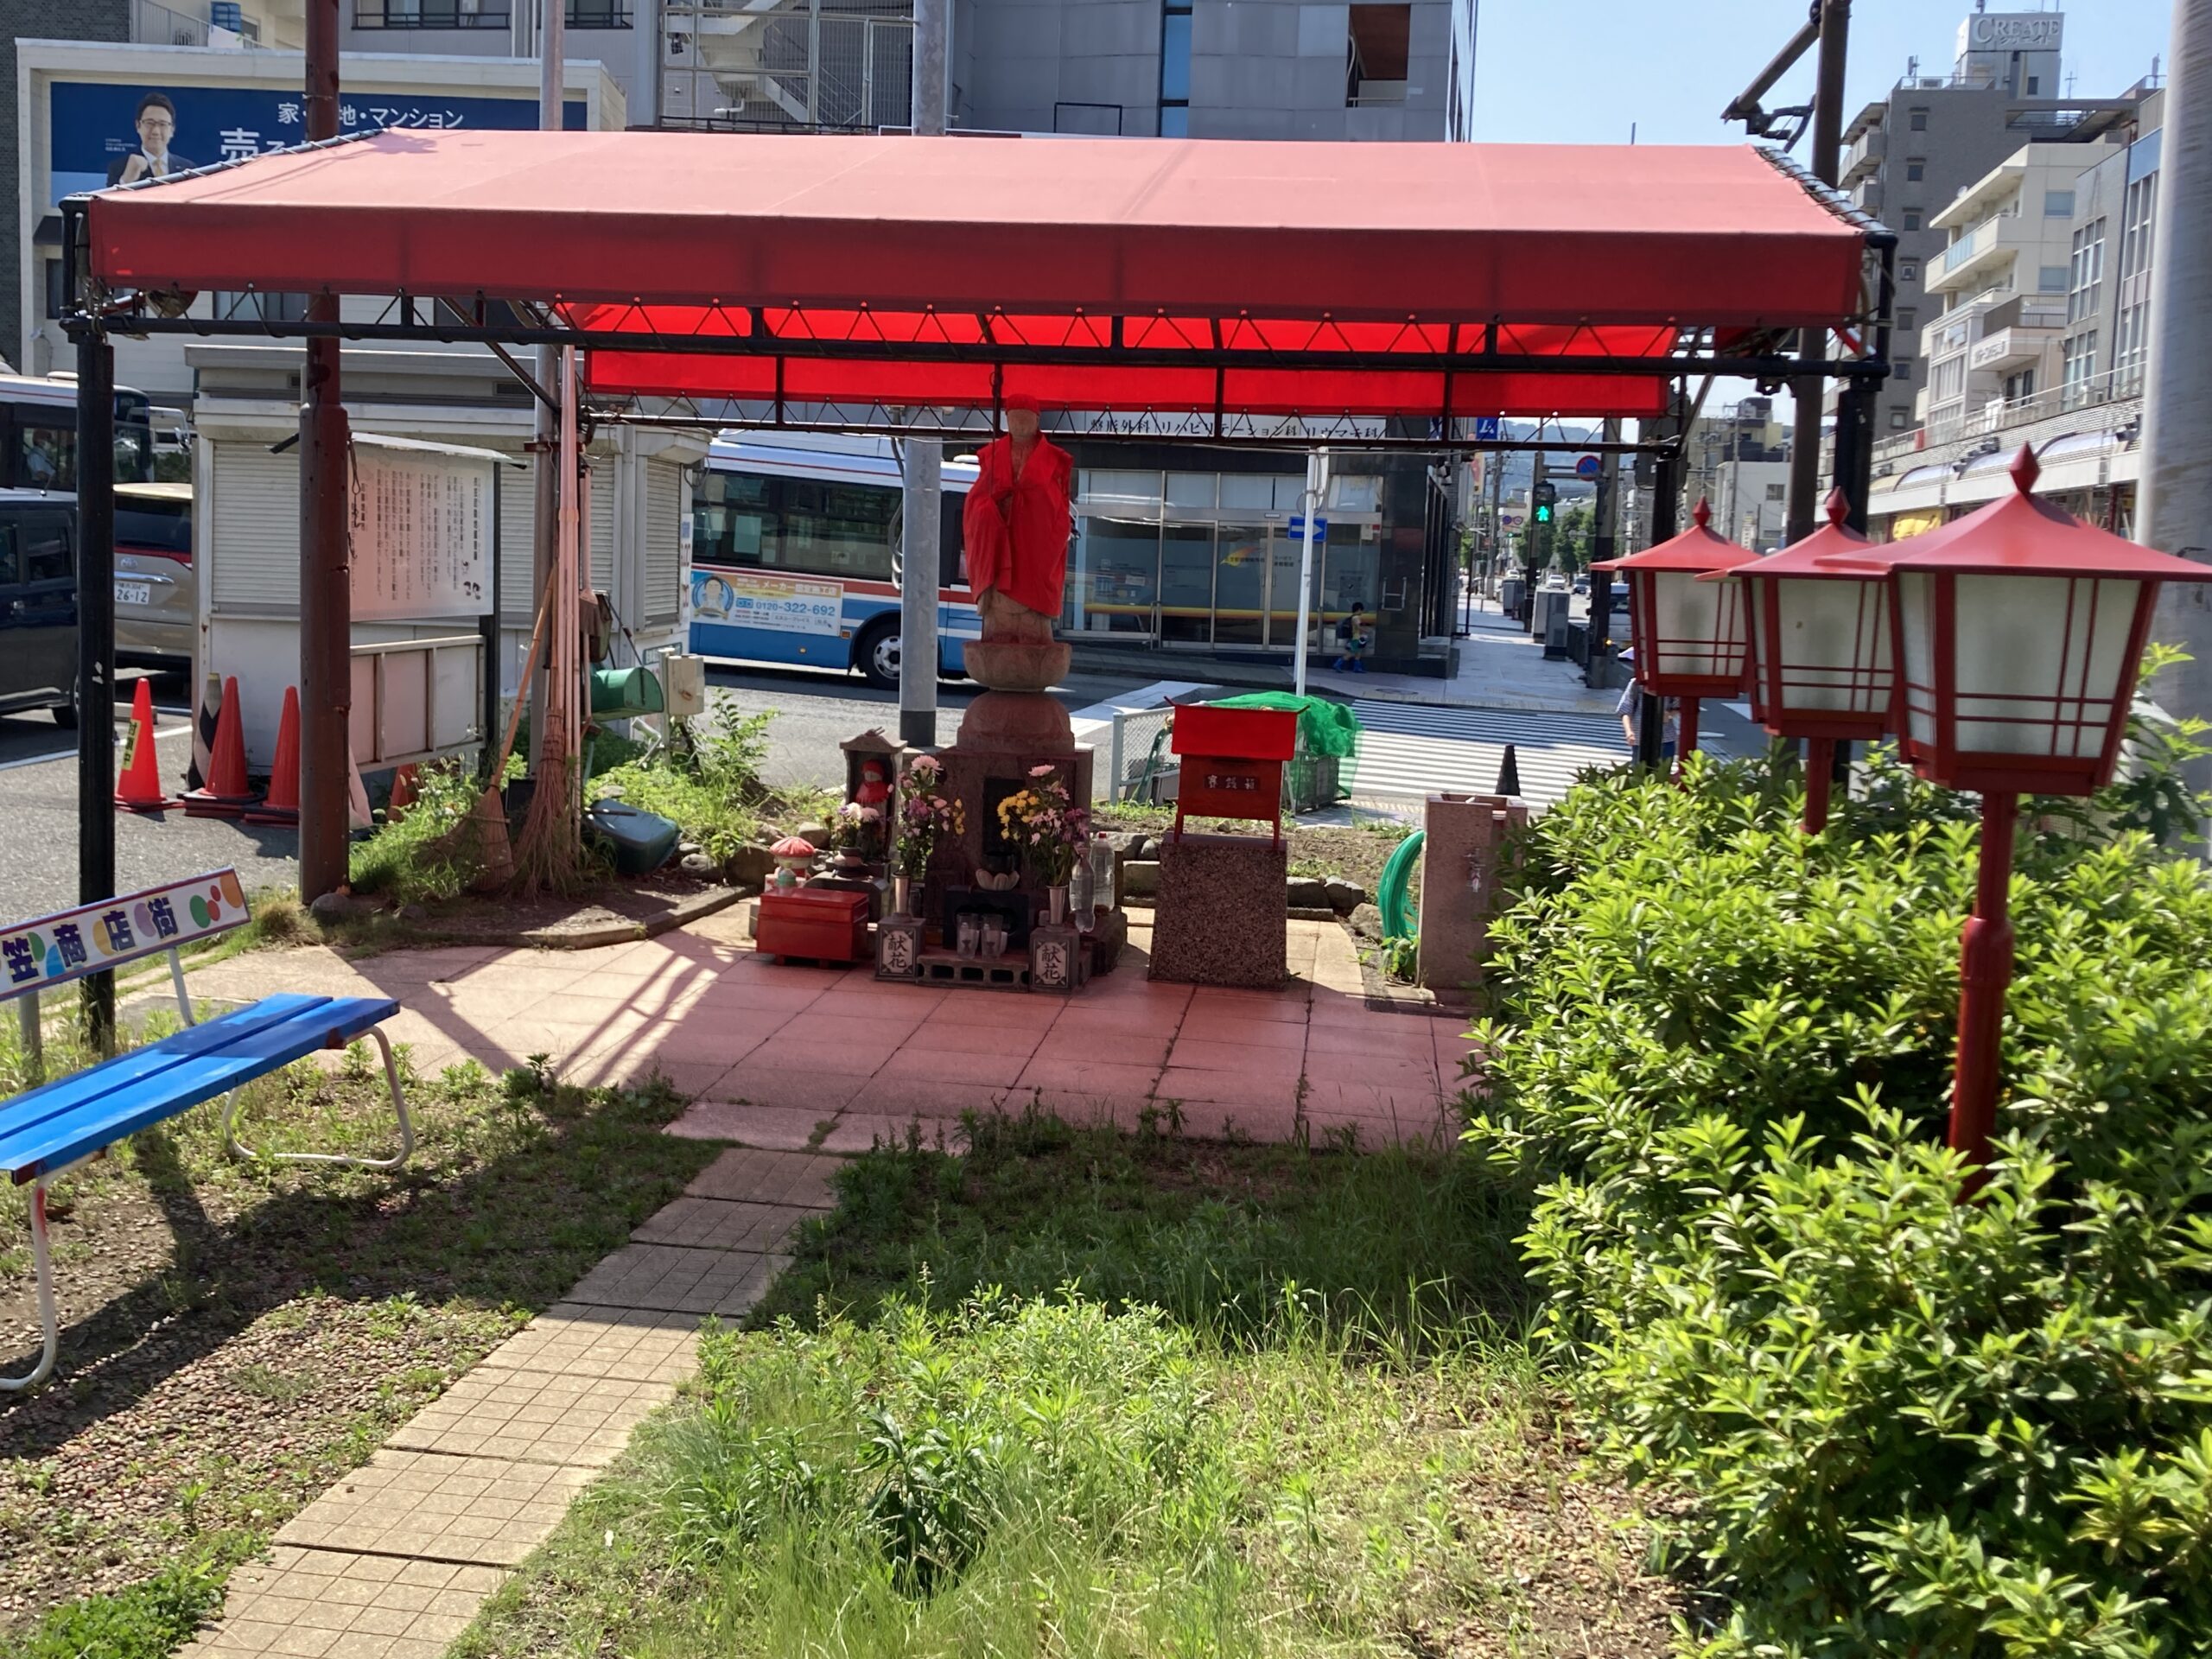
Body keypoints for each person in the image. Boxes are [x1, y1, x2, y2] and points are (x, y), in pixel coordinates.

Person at [961, 394, 1073, 645]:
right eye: (1015, 419)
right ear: (1007, 420)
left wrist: (1032, 507)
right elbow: (975, 503)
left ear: (1037, 421)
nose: (1020, 425)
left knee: (1035, 631)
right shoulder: (992, 455)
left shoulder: (1055, 460)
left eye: (1026, 419)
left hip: (1034, 543)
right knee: (997, 632)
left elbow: (1058, 509)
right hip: (1000, 541)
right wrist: (993, 507)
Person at [108, 92, 194, 187]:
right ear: (138, 126)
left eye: (162, 124)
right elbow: (109, 196)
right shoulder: (118, 168)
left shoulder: (188, 169)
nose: (155, 131)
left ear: (172, 130)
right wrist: (126, 181)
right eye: (149, 123)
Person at [1613, 648, 1677, 761]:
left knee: (1662, 769)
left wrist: (1669, 714)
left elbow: (1678, 705)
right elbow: (1625, 709)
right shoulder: (1636, 683)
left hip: (1665, 737)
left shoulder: (1668, 682)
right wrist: (1629, 731)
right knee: (1639, 768)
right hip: (1639, 737)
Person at [1332, 605, 1373, 672]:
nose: (1362, 612)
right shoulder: (1356, 618)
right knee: (1350, 653)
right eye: (1361, 610)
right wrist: (1366, 631)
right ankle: (1338, 664)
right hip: (1356, 637)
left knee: (1358, 653)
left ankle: (1357, 668)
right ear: (1359, 609)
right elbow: (1358, 627)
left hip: (1355, 637)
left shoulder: (1352, 617)